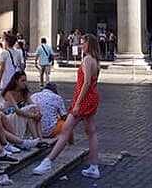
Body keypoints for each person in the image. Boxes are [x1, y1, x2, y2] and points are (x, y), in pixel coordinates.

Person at [33, 33, 102, 178]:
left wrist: (77, 103)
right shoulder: (95, 60)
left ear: (89, 44)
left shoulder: (88, 59)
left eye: (83, 43)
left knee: (66, 129)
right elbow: (93, 83)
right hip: (92, 97)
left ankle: (48, 161)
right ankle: (94, 166)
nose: (81, 46)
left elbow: (87, 82)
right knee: (91, 131)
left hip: (84, 99)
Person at [1, 70, 43, 140]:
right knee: (32, 111)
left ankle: (39, 138)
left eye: (25, 80)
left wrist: (37, 113)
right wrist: (33, 115)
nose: (25, 83)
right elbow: (17, 110)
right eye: (22, 81)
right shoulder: (9, 93)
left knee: (34, 111)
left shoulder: (24, 92)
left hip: (21, 116)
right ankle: (37, 138)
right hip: (10, 117)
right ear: (16, 82)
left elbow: (32, 104)